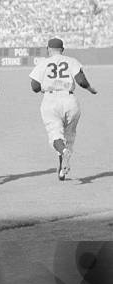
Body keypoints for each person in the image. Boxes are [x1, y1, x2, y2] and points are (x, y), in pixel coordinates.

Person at [29, 38, 98, 181]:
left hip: (50, 100)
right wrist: (91, 89)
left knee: (55, 134)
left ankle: (63, 152)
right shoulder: (71, 61)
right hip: (70, 100)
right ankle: (62, 170)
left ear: (48, 49)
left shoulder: (43, 63)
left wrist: (44, 88)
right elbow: (81, 81)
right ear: (63, 49)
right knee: (69, 136)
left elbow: (34, 86)